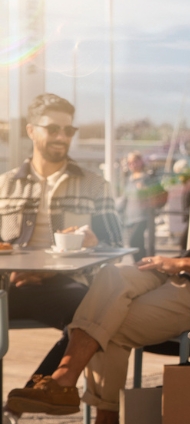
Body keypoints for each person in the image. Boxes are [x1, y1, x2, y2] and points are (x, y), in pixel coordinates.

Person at [7, 94, 190, 424]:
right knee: (110, 276)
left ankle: (79, 396)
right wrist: (173, 264)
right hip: (184, 275)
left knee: (110, 324)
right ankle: (65, 384)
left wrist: (178, 264)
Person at [0, 93, 123, 420]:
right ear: (31, 130)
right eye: (53, 128)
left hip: (63, 285)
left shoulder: (94, 184)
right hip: (8, 285)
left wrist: (94, 241)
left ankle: (25, 399)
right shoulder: (4, 185)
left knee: (89, 316)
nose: (61, 136)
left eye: (69, 130)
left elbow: (116, 244)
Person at [116, 151, 167, 262]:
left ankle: (143, 265)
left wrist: (147, 190)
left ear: (140, 162)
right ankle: (141, 265)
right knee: (136, 244)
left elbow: (160, 194)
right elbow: (124, 199)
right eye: (129, 163)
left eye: (134, 162)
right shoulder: (129, 179)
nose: (132, 165)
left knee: (134, 242)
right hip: (129, 218)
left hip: (142, 216)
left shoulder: (148, 178)